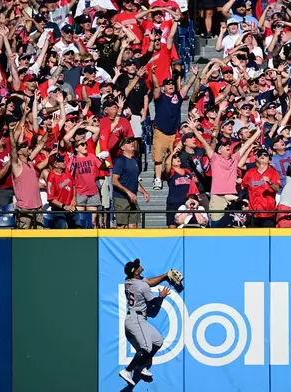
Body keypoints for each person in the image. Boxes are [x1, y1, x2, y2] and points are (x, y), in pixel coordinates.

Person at [119, 258, 172, 386]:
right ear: (136, 272)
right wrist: (161, 297)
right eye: (137, 266)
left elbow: (149, 282)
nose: (139, 266)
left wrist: (165, 275)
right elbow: (153, 303)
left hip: (136, 318)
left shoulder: (129, 281)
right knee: (147, 347)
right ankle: (128, 370)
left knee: (158, 340)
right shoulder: (141, 285)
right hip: (136, 320)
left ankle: (141, 366)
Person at [112, 137, 150, 228]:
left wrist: (143, 192)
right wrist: (128, 192)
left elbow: (135, 180)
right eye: (128, 142)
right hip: (121, 198)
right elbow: (114, 181)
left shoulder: (134, 160)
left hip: (132, 198)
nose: (131, 143)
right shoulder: (120, 161)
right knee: (121, 226)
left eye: (131, 142)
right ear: (122, 147)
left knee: (134, 225)